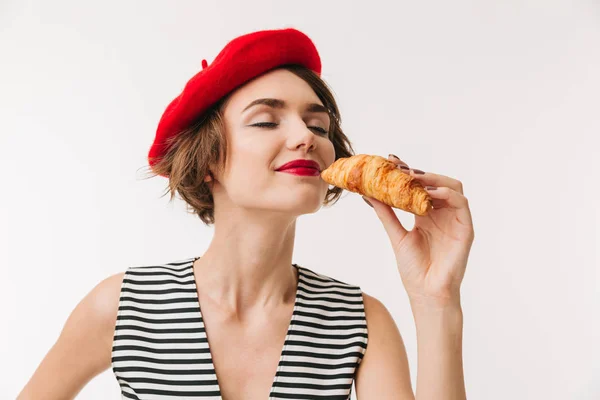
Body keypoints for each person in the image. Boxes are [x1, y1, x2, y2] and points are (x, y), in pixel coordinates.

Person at [18, 28, 474, 400]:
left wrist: (436, 301)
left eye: (318, 125)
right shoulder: (122, 307)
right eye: (266, 120)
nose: (306, 137)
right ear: (208, 160)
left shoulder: (359, 323)